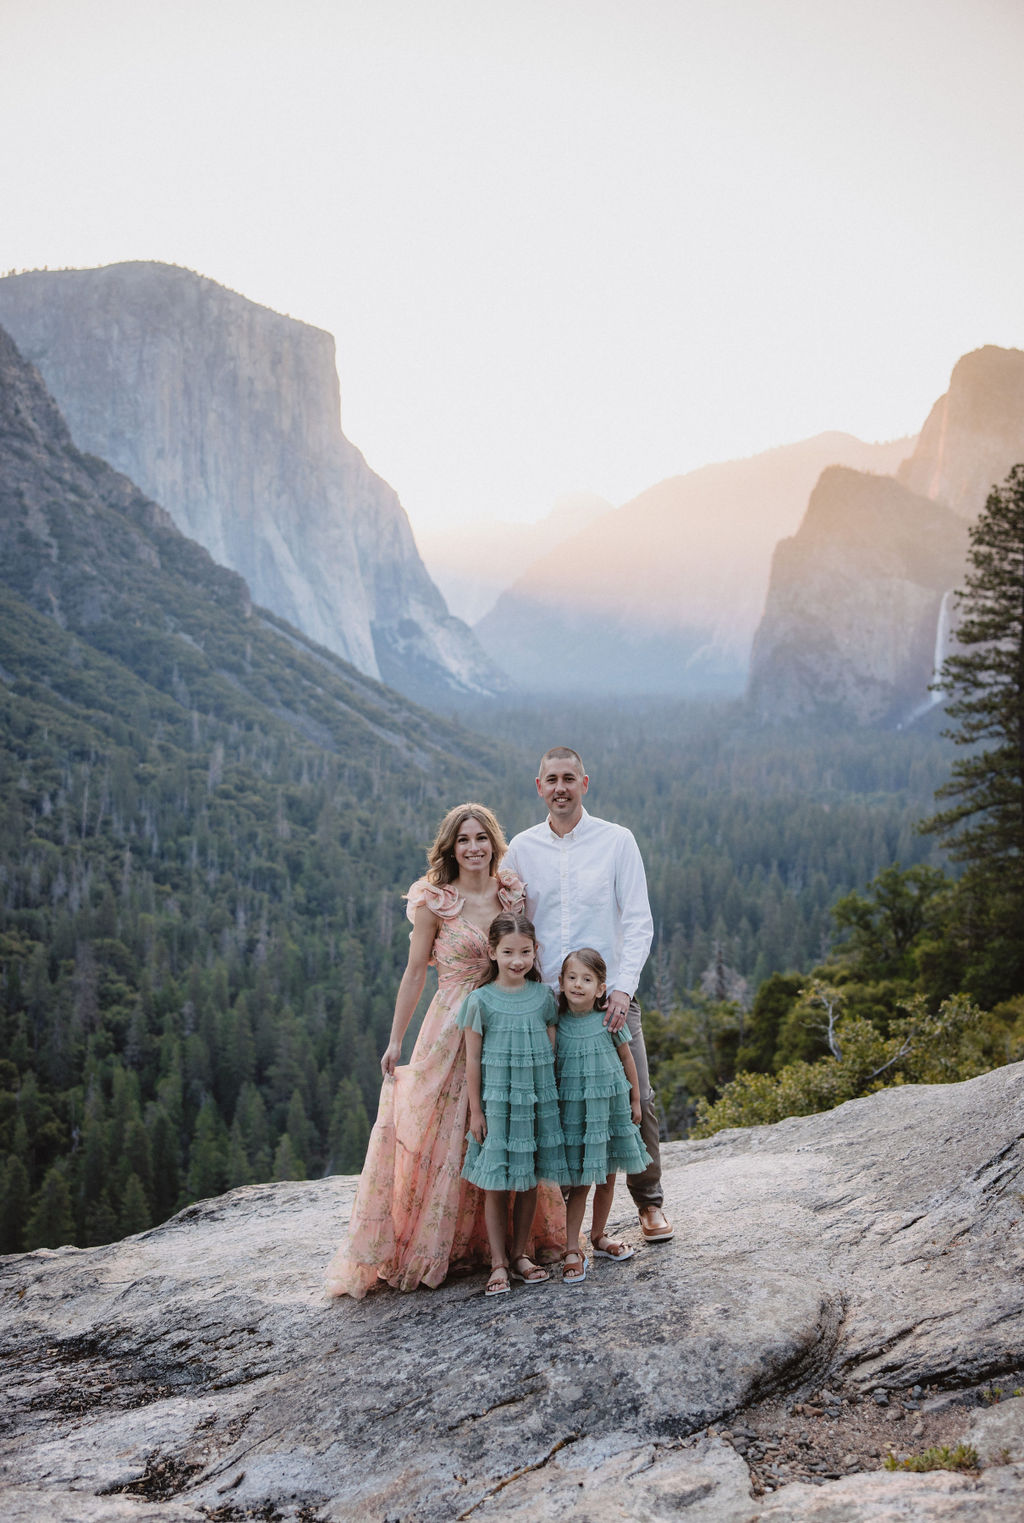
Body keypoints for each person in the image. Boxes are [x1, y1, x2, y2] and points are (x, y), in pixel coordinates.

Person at [325, 804, 563, 1298]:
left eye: (482, 838)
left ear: (494, 844)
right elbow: (415, 972)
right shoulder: (434, 901)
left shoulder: (512, 892)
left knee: (507, 1132)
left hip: (509, 1024)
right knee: (452, 1133)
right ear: (450, 847)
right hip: (453, 1024)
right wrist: (395, 1040)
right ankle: (453, 1244)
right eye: (463, 840)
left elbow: (527, 957)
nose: (474, 847)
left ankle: (509, 1250)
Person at [503, 747, 673, 1244]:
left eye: (569, 779)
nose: (560, 787)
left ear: (585, 783)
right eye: (551, 779)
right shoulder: (521, 849)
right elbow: (509, 920)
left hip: (608, 998)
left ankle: (650, 1204)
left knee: (636, 1094)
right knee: (554, 1106)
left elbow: (639, 920)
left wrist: (622, 989)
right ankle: (555, 1224)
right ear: (539, 786)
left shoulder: (617, 841)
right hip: (547, 1003)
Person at [457, 912, 568, 1296]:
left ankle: (521, 1255)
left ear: (535, 952)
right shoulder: (479, 1001)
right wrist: (476, 1110)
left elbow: (552, 1049)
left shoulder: (543, 997)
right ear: (492, 952)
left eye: (525, 952)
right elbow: (472, 1060)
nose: (517, 960)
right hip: (498, 1103)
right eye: (508, 952)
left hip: (536, 1100)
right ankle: (499, 1263)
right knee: (495, 1184)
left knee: (530, 1179)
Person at [555, 948, 652, 1284]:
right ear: (561, 982)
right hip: (579, 1116)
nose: (578, 984)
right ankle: (571, 1247)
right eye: (572, 978)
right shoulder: (558, 1025)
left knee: (608, 1178)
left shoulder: (609, 1020)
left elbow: (628, 1060)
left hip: (611, 1110)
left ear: (600, 989)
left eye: (587, 979)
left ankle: (598, 1237)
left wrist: (635, 1101)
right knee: (580, 1183)